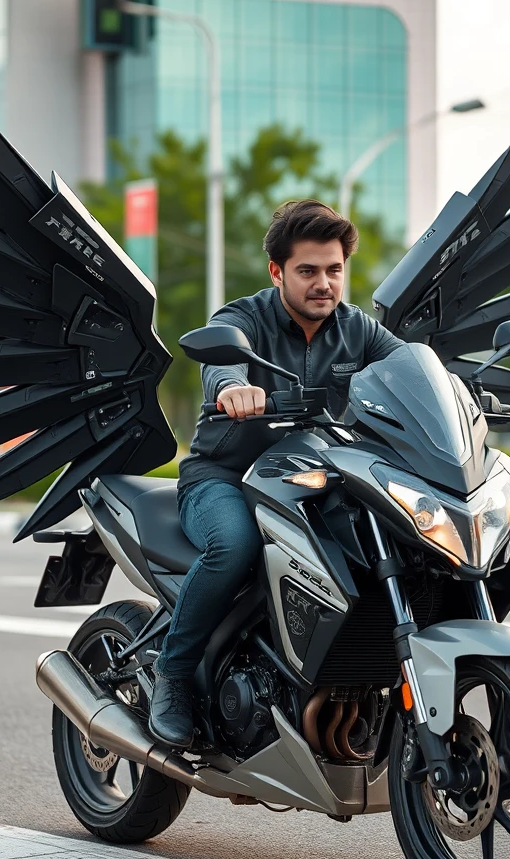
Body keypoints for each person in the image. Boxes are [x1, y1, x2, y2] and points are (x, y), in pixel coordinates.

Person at [148, 199, 406, 748]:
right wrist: (231, 389)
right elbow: (220, 360)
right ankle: (171, 675)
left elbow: (409, 368)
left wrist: (460, 390)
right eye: (308, 271)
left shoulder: (357, 329)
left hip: (309, 481)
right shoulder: (244, 319)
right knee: (235, 547)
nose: (324, 284)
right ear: (277, 272)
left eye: (334, 270)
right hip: (224, 477)